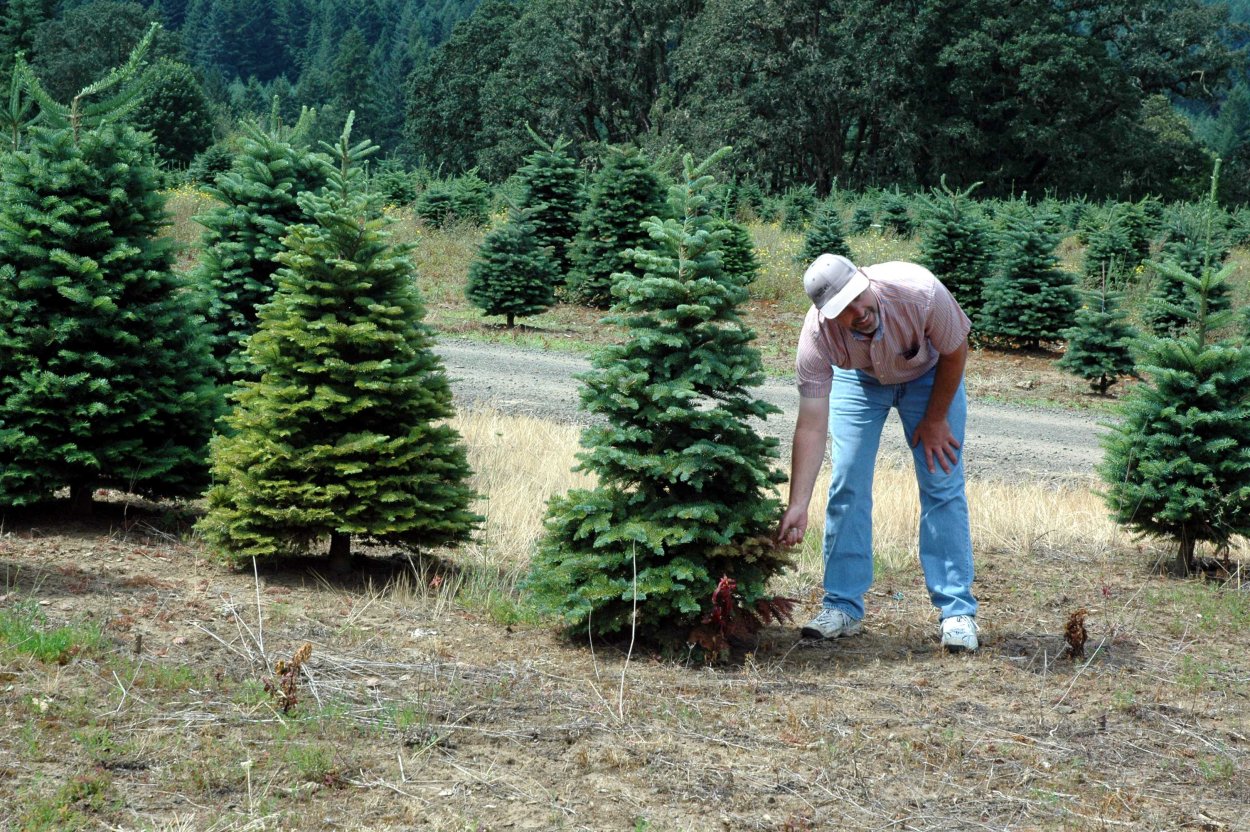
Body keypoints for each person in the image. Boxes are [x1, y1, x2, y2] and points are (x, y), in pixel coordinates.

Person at [774, 253, 979, 652]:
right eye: (842, 310)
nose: (857, 313)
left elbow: (956, 350)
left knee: (941, 480)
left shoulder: (919, 291)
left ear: (863, 278)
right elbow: (812, 424)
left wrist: (936, 419)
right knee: (847, 479)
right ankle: (842, 606)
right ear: (825, 314)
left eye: (857, 298)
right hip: (861, 380)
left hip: (930, 375)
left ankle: (957, 610)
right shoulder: (816, 337)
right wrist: (798, 503)